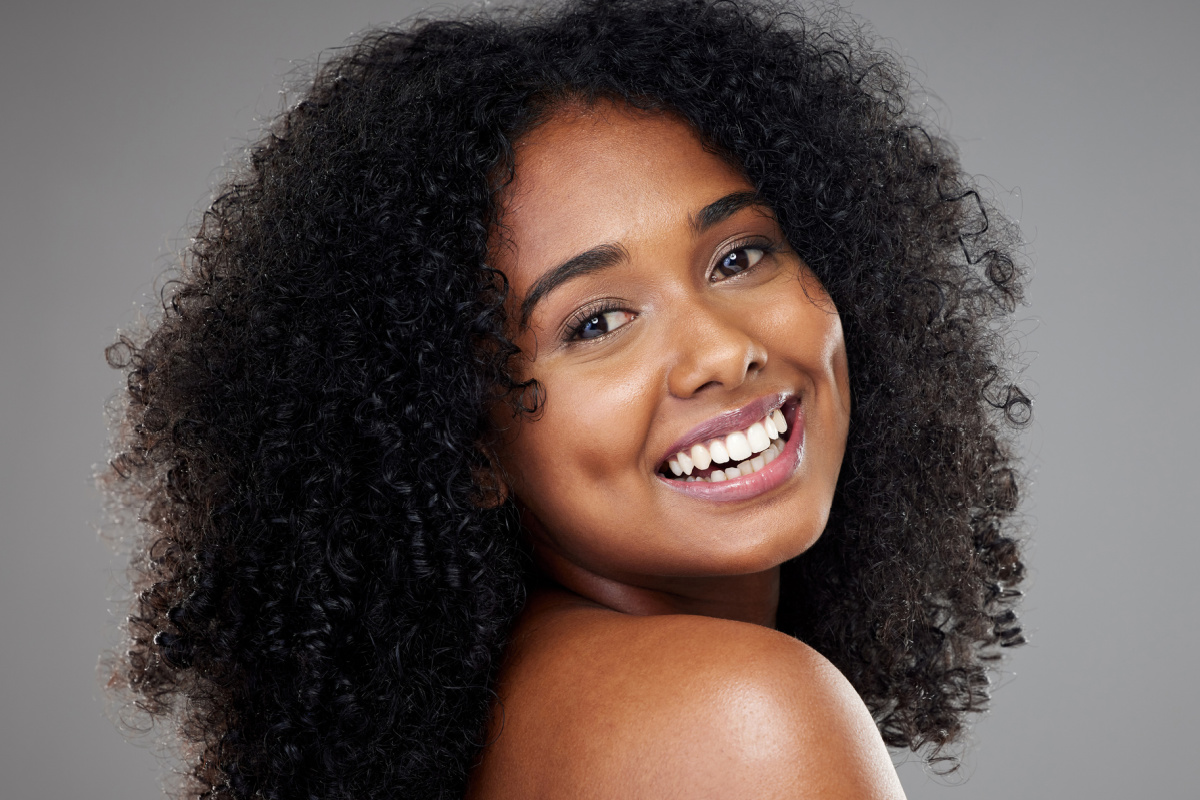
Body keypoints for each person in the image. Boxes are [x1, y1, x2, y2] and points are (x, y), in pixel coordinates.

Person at [102, 0, 1029, 797]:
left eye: (739, 257)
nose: (720, 352)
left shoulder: (522, 708)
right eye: (595, 323)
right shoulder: (740, 714)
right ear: (468, 448)